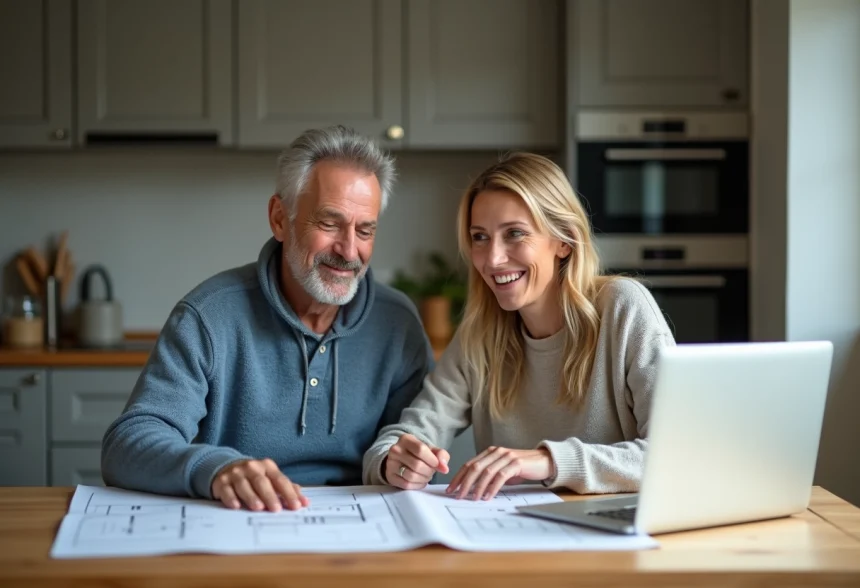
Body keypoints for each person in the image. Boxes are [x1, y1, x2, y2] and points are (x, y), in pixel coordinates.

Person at [102, 125, 433, 512]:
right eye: (329, 223)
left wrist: (409, 463)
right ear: (279, 218)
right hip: (241, 518)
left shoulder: (398, 324)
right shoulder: (208, 316)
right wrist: (216, 469)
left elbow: (412, 445)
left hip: (361, 528)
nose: (348, 250)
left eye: (365, 230)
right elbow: (127, 444)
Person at [363, 152, 675, 500]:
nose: (493, 258)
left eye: (514, 233)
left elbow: (677, 454)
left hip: (618, 529)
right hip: (517, 527)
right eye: (480, 237)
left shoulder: (623, 307)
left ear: (564, 241)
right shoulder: (481, 333)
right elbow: (413, 431)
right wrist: (394, 461)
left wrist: (548, 461)